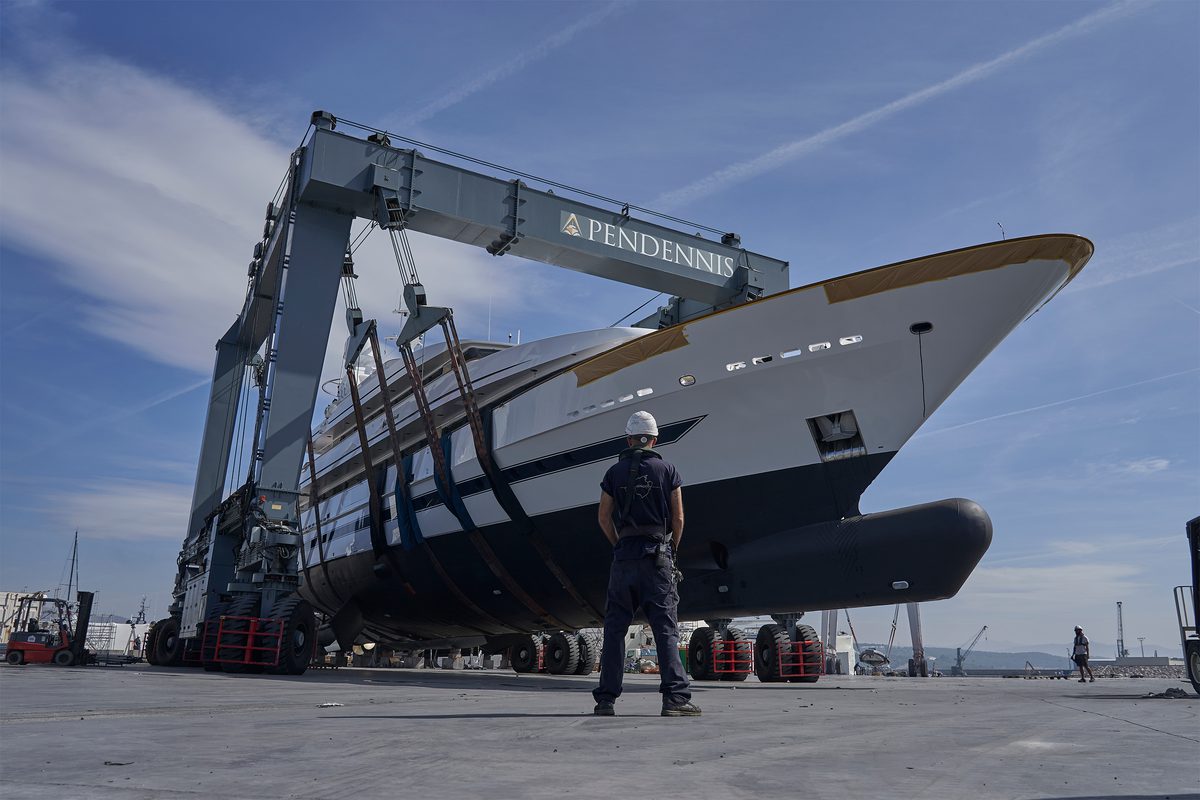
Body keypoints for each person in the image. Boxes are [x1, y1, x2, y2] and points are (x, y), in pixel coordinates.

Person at [592, 411, 700, 718]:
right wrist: (672, 549)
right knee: (665, 629)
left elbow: (602, 517)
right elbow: (678, 517)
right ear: (654, 439)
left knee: (615, 630)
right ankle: (675, 700)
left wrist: (619, 544)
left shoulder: (613, 473)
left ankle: (606, 700)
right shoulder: (668, 469)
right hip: (657, 555)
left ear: (628, 439)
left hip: (624, 556)